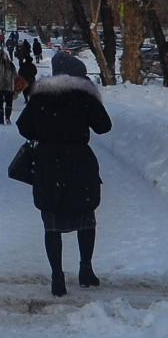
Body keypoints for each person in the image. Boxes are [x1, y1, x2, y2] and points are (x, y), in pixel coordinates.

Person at [15, 51, 112, 296]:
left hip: (49, 165)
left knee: (52, 222)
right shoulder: (84, 97)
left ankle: (57, 278)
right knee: (85, 216)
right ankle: (86, 270)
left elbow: (23, 127)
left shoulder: (40, 97)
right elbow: (104, 126)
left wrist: (46, 132)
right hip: (80, 164)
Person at [0, 49, 18, 124]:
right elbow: (15, 74)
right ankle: (7, 118)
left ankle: (1, 120)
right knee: (8, 103)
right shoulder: (10, 64)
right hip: (8, 87)